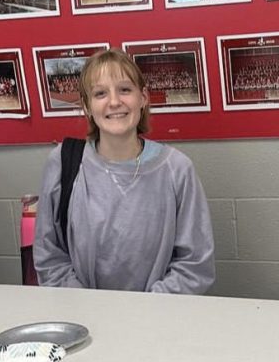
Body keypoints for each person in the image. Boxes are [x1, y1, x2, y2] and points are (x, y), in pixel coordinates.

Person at [33, 50, 215, 293]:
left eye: (125, 90)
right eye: (100, 93)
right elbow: (49, 256)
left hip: (157, 320)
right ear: (87, 106)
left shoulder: (177, 170)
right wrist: (87, 305)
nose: (114, 101)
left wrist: (145, 312)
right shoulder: (64, 164)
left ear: (143, 98)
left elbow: (195, 264)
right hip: (84, 317)